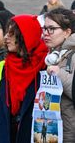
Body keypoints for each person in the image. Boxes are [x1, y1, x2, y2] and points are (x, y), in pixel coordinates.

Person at [0, 15, 48, 143]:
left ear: (25, 36)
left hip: (34, 135)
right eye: (6, 33)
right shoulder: (6, 66)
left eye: (12, 34)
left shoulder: (45, 65)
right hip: (7, 135)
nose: (6, 37)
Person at [43, 8, 75, 142]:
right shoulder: (53, 56)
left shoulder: (72, 56)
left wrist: (59, 74)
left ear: (67, 32)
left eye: (51, 29)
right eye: (44, 28)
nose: (46, 33)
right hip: (53, 132)